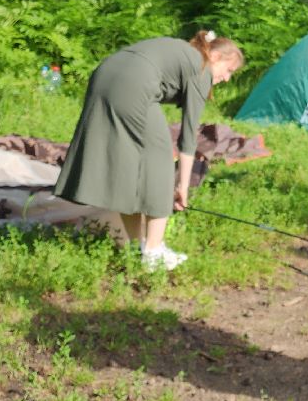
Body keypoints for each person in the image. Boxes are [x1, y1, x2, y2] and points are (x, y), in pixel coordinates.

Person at [54, 31, 244, 271]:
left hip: (104, 75)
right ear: (216, 56)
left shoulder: (185, 54)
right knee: (160, 160)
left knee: (128, 163)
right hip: (134, 84)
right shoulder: (202, 67)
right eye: (229, 70)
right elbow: (188, 136)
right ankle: (154, 252)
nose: (227, 78)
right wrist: (182, 187)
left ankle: (138, 248)